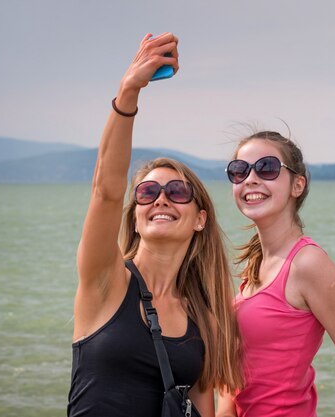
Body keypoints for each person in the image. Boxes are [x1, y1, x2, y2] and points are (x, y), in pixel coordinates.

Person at [67, 33, 243, 417]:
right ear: (135, 214)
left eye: (177, 191)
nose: (160, 199)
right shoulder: (106, 280)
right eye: (147, 192)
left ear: (200, 218)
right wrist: (128, 91)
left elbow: (202, 410)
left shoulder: (204, 319)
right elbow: (106, 192)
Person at [216, 131, 335, 417]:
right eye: (239, 171)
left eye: (266, 168)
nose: (251, 179)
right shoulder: (255, 266)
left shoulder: (307, 264)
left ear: (297, 185)